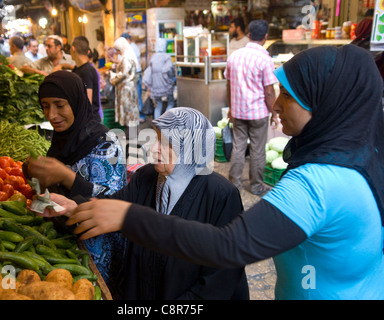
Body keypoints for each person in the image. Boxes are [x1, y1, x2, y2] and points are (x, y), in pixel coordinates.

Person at [57, 44, 384, 300]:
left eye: (287, 95)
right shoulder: (354, 160)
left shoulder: (318, 184)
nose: (274, 105)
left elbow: (227, 249)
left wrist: (129, 216)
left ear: (324, 103)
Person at [39, 107, 249, 300]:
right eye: (156, 139)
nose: (154, 150)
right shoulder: (147, 177)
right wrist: (71, 207)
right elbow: (111, 208)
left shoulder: (221, 196)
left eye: (166, 143)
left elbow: (219, 282)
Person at [24, 70, 127, 297]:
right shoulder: (62, 139)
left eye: (60, 105)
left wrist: (65, 176)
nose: (52, 114)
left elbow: (115, 201)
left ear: (76, 102)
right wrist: (34, 177)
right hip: (67, 240)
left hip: (99, 252)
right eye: (45, 105)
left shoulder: (105, 143)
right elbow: (54, 196)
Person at [225, 19, 278, 196]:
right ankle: (256, 185)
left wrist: (231, 109)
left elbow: (229, 85)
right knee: (257, 150)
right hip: (258, 113)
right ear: (265, 37)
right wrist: (275, 113)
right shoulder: (265, 59)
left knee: (238, 147)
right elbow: (269, 92)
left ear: (248, 35)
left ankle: (234, 183)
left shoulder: (234, 57)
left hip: (238, 112)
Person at [59, 36, 102, 123]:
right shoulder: (78, 69)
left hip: (89, 121)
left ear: (73, 48)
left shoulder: (87, 71)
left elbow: (88, 101)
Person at [109, 37, 140, 128]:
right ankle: (131, 134)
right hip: (128, 88)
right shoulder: (128, 56)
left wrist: (113, 75)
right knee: (130, 111)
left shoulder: (126, 58)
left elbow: (124, 74)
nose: (117, 52)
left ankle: (131, 136)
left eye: (118, 50)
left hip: (126, 89)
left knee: (128, 112)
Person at [142, 38, 175, 119]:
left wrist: (149, 87)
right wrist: (171, 78)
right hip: (165, 84)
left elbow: (148, 73)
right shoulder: (166, 57)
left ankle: (157, 125)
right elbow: (169, 69)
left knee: (158, 105)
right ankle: (166, 119)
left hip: (155, 86)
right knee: (171, 102)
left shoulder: (153, 57)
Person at [121, 32, 144, 122]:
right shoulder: (131, 47)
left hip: (135, 74)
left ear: (127, 40)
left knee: (137, 95)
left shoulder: (132, 48)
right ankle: (137, 115)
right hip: (134, 74)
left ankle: (140, 115)